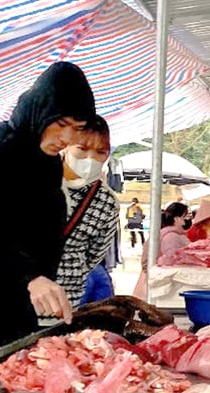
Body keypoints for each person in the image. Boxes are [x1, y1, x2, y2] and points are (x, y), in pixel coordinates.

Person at [0, 62, 95, 357]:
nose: (67, 139)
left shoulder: (45, 161)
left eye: (78, 129)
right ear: (40, 111)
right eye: (61, 125)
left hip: (17, 300)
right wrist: (30, 278)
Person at [55, 115, 120, 308]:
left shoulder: (107, 202)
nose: (90, 159)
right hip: (23, 296)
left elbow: (93, 257)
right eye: (82, 149)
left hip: (69, 300)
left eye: (100, 152)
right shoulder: (36, 183)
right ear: (65, 146)